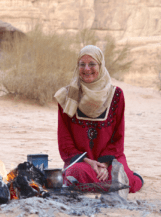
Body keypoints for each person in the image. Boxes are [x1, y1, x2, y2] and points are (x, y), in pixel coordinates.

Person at [54, 45, 144, 199]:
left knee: (122, 178)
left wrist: (105, 164)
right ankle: (102, 181)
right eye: (82, 64)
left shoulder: (116, 95)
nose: (86, 69)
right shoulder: (68, 95)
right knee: (75, 174)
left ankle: (131, 176)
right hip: (83, 162)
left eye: (92, 64)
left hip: (109, 160)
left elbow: (118, 136)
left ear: (100, 66)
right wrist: (89, 162)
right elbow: (64, 139)